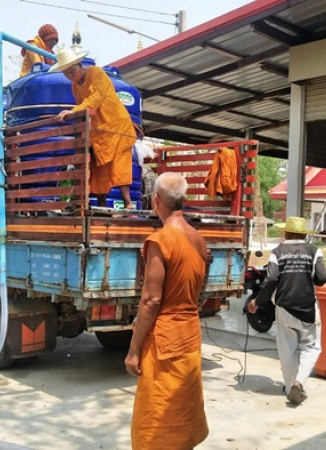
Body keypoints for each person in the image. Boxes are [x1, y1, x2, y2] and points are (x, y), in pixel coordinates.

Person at [125, 172, 209, 449]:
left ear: (156, 201)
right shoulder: (198, 238)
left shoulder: (160, 240)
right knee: (183, 408)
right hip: (189, 333)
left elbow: (151, 300)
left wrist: (134, 349)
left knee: (157, 419)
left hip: (165, 338)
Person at [248, 216, 326, 405]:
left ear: (286, 233)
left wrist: (258, 301)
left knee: (287, 350)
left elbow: (272, 279)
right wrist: (311, 279)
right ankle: (298, 382)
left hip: (284, 307)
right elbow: (323, 277)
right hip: (308, 307)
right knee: (311, 347)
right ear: (303, 234)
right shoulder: (314, 251)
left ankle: (289, 385)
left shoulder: (278, 252)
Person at [52, 48, 137, 210]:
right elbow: (82, 106)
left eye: (72, 71)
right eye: (66, 74)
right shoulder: (75, 86)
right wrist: (70, 114)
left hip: (116, 126)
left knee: (120, 166)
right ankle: (102, 205)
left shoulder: (97, 74)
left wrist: (72, 112)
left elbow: (94, 99)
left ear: (80, 65)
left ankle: (128, 204)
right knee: (99, 168)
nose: (70, 75)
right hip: (99, 131)